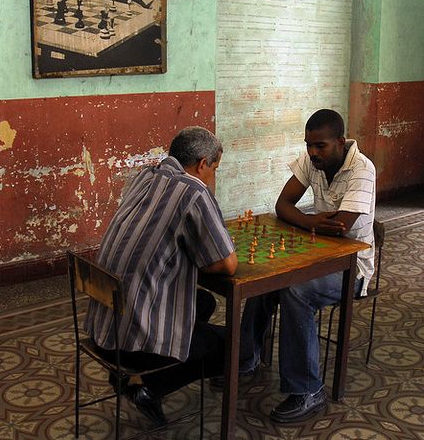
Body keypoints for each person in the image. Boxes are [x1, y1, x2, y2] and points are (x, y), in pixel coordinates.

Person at [84, 126, 243, 425]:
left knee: (204, 303)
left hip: (103, 325)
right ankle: (148, 387)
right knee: (239, 346)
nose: (213, 177)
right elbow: (227, 264)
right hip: (130, 339)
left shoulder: (146, 175)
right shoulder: (194, 190)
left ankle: (145, 371)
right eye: (215, 169)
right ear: (201, 164)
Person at [240, 109, 376, 424]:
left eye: (321, 146)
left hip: (352, 266)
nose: (313, 152)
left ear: (340, 142)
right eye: (309, 145)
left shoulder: (362, 169)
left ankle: (308, 390)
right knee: (268, 275)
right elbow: (281, 205)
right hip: (319, 254)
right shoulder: (312, 161)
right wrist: (313, 221)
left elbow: (341, 227)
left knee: (295, 290)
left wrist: (305, 222)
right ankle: (245, 359)